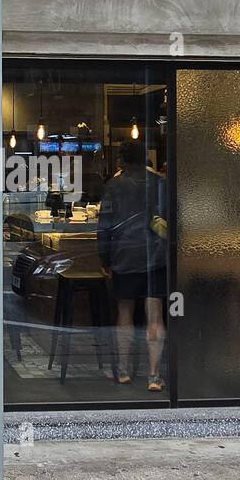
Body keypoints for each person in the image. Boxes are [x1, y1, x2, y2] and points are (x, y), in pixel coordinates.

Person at [97, 139, 168, 391]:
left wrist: (105, 258)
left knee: (125, 314)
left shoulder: (114, 185)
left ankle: (124, 371)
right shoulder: (161, 183)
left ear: (121, 160)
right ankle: (153, 376)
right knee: (155, 316)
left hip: (125, 255)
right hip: (156, 256)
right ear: (145, 157)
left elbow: (105, 224)